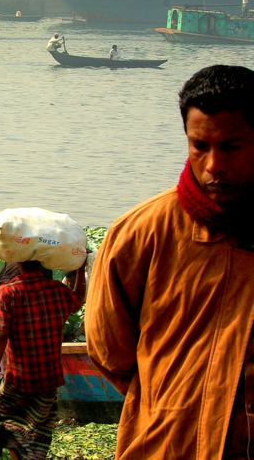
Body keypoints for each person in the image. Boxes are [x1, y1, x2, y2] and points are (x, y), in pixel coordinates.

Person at [86, 65, 254, 458]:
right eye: (200, 147)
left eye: (231, 147)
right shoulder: (139, 233)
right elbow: (110, 351)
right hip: (164, 446)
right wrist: (174, 400)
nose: (214, 165)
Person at [0, 260, 85, 460]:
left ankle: (15, 455)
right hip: (49, 378)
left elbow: (1, 334)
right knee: (39, 427)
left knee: (4, 415)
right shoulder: (58, 290)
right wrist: (80, 268)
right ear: (42, 264)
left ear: (19, 264)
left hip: (18, 377)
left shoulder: (7, 293)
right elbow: (78, 300)